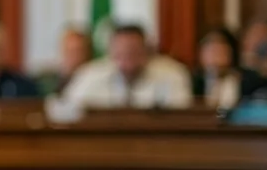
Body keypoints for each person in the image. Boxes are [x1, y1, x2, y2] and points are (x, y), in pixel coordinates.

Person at [61, 24, 192, 109]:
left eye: (133, 51)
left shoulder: (172, 75)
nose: (126, 59)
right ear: (111, 52)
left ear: (146, 51)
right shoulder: (90, 75)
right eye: (120, 53)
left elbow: (181, 115)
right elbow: (69, 110)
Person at [191, 27, 243, 109]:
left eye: (221, 52)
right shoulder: (192, 82)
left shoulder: (243, 81)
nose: (216, 57)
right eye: (212, 51)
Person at [34, 27, 91, 96]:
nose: (73, 57)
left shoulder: (93, 81)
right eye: (69, 51)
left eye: (78, 51)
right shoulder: (47, 81)